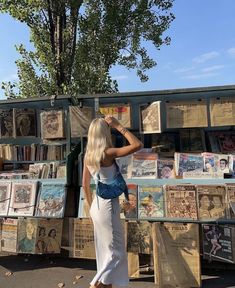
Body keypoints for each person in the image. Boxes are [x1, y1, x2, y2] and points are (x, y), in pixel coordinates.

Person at [82, 115, 143, 288]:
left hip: (96, 206)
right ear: (104, 134)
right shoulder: (108, 153)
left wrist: (89, 207)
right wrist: (118, 126)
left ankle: (107, 284)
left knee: (104, 251)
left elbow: (85, 184)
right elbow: (138, 145)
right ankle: (97, 284)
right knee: (117, 253)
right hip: (108, 207)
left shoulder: (89, 155)